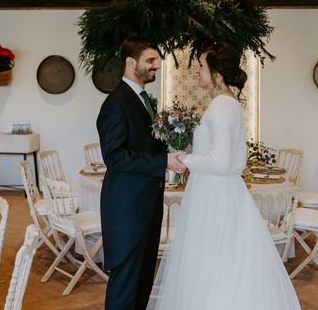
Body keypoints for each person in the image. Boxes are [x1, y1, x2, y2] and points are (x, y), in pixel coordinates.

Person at [148, 42, 301, 309]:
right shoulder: (227, 104)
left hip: (213, 193)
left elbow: (221, 162)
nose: (196, 71)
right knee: (222, 257)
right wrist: (194, 150)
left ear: (216, 74)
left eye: (200, 66)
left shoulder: (220, 106)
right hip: (220, 189)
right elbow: (224, 154)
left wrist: (185, 159)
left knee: (212, 259)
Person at [97, 37, 187, 310]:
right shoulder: (116, 103)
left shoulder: (142, 99)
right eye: (150, 60)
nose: (156, 66)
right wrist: (163, 162)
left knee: (143, 281)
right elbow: (114, 156)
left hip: (146, 204)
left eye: (156, 60)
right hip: (126, 209)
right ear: (130, 62)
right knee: (125, 285)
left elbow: (142, 144)